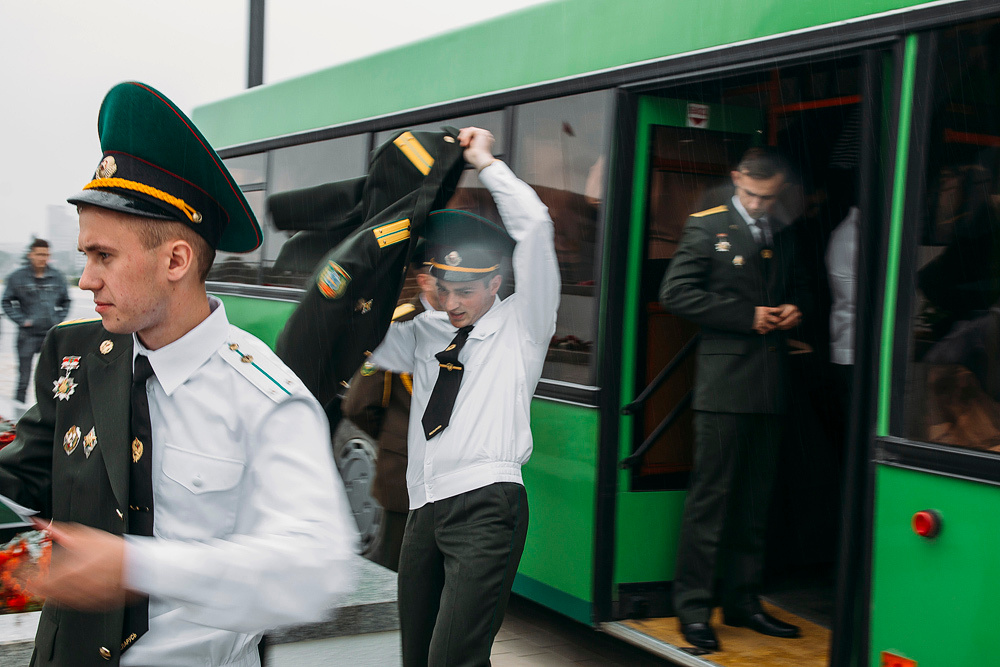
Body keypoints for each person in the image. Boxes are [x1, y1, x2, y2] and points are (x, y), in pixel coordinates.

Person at [0, 81, 357, 667]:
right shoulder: (79, 353)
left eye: (103, 256)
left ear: (175, 260)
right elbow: (27, 475)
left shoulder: (266, 397)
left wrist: (135, 566)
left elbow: (317, 566)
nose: (85, 280)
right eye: (85, 255)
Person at [367, 127, 559, 666]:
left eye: (466, 292)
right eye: (445, 289)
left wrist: (484, 163)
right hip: (423, 509)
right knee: (416, 657)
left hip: (485, 506)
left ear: (496, 283)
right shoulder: (424, 331)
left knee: (453, 658)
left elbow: (535, 228)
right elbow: (364, 338)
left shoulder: (525, 325)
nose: (452, 304)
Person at [660, 147, 804, 651]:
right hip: (723, 385)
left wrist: (794, 310)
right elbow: (676, 293)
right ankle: (693, 610)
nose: (759, 205)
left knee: (755, 503)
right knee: (711, 502)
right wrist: (746, 317)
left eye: (768, 198)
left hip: (769, 383)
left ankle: (744, 602)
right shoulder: (707, 226)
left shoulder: (782, 230)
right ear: (737, 177)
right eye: (752, 195)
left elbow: (798, 287)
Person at [341, 250, 440, 572]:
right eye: (444, 278)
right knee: (399, 572)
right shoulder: (399, 323)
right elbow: (359, 404)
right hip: (404, 475)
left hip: (448, 478)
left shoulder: (463, 323)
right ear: (423, 281)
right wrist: (397, 438)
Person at [2, 239, 70, 403]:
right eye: (39, 254)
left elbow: (66, 301)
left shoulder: (57, 277)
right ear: (30, 255)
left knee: (53, 378)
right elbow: (6, 302)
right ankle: (19, 413)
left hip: (50, 335)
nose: (42, 258)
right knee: (23, 379)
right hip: (27, 336)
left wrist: (57, 320)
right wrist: (22, 320)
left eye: (46, 255)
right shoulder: (17, 277)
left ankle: (49, 413)